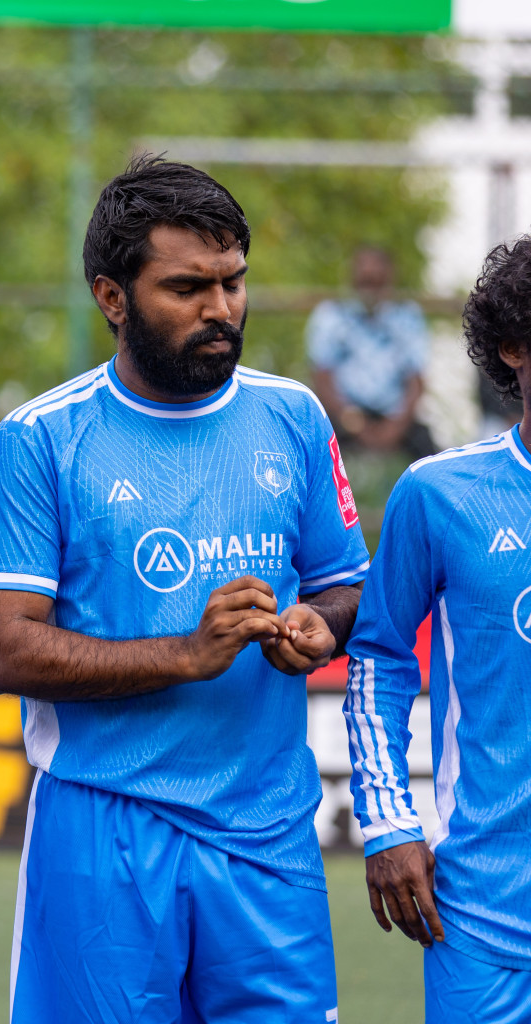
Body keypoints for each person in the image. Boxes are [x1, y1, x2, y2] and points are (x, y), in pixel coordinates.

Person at [0, 155, 371, 1023]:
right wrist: (187, 654)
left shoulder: (294, 417)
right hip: (103, 832)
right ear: (112, 297)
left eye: (233, 283)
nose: (221, 311)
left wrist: (319, 626)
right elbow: (3, 647)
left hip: (269, 836)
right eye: (188, 287)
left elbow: (348, 590)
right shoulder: (41, 440)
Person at [344, 237, 531, 1023]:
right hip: (481, 910)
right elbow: (379, 660)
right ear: (513, 348)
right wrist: (388, 822)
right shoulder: (441, 493)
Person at [307, 245, 435, 458]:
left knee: (432, 464)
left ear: (389, 279)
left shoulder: (408, 317)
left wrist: (395, 426)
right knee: (313, 454)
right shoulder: (331, 315)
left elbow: (416, 380)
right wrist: (353, 423)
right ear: (352, 277)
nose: (370, 288)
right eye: (365, 280)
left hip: (397, 419)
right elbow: (322, 378)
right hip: (344, 417)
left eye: (377, 281)